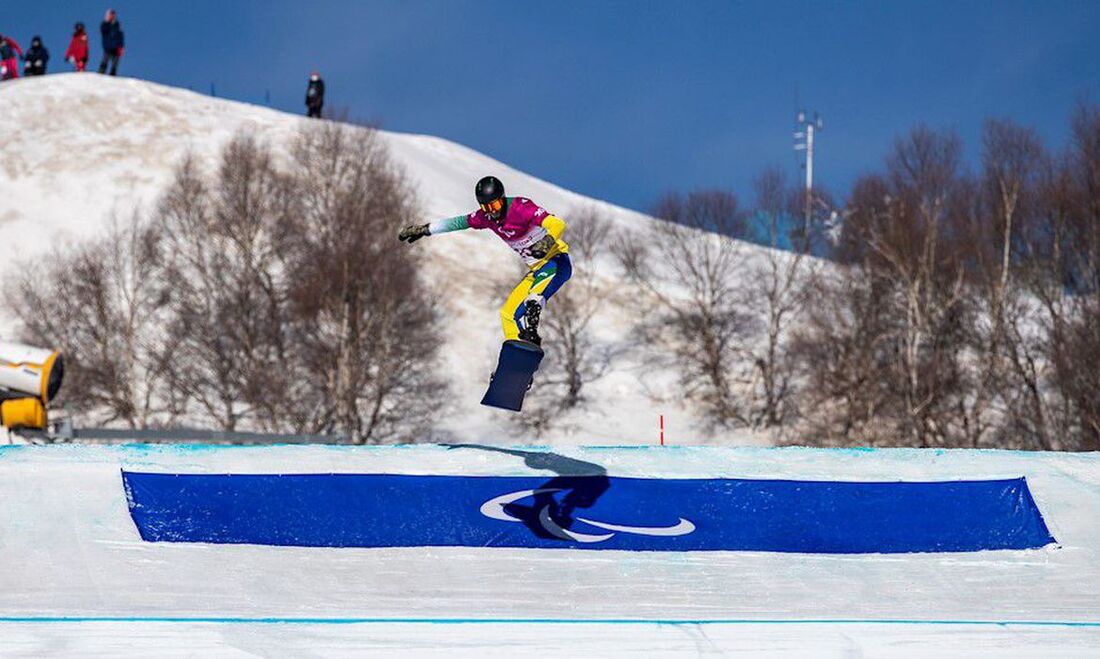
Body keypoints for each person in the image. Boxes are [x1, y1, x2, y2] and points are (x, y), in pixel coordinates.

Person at [398, 176, 571, 346]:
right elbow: (459, 222)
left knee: (533, 299)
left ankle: (531, 330)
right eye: (486, 207)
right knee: (508, 314)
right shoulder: (486, 217)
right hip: (537, 271)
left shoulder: (520, 207)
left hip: (556, 261)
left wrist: (546, 242)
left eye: (495, 205)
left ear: (502, 199)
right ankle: (519, 360)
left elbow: (558, 224)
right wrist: (426, 229)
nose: (492, 211)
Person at [98, 9, 124, 75]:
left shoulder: (117, 25)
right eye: (110, 14)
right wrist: (107, 21)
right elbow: (103, 30)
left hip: (116, 46)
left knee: (115, 61)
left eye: (113, 15)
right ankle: (101, 72)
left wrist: (121, 46)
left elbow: (120, 36)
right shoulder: (105, 24)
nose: (112, 16)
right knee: (105, 59)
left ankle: (113, 74)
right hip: (108, 46)